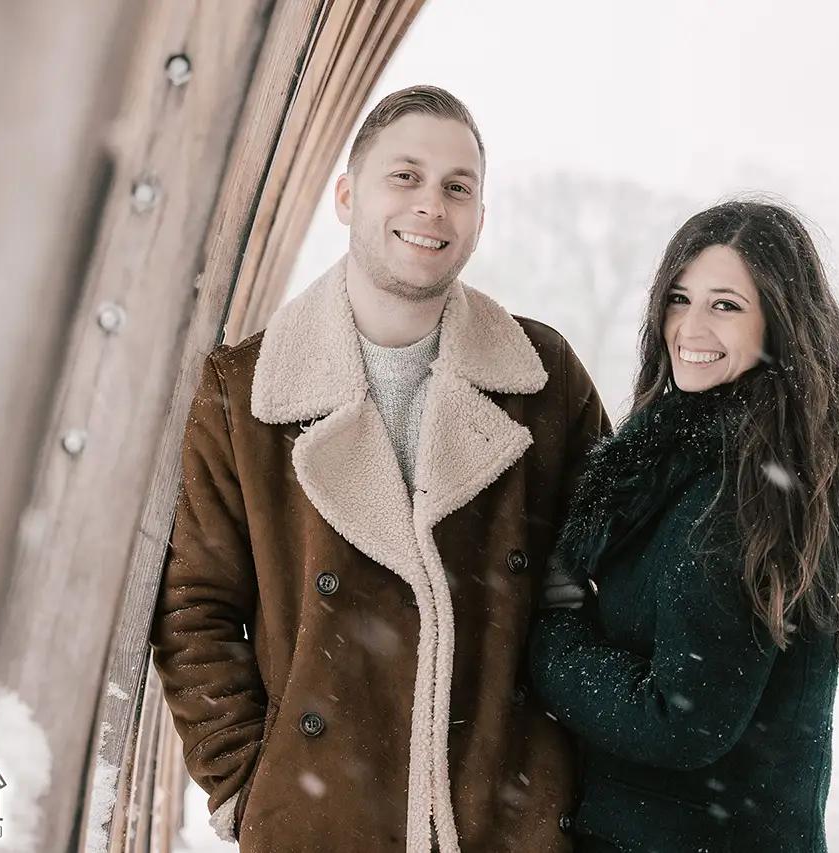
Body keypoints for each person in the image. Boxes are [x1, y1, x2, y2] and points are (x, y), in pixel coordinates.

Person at [151, 85, 609, 852]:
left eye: (457, 187)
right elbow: (196, 605)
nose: (432, 204)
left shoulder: (543, 377)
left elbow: (613, 578)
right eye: (406, 176)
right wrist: (245, 784)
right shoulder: (245, 393)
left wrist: (557, 750)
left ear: (479, 220)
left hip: (509, 818)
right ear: (346, 195)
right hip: (322, 818)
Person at [529, 200, 839, 853]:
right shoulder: (776, 457)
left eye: (725, 304)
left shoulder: (737, 493)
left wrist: (553, 640)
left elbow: (682, 721)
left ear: (777, 323)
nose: (690, 326)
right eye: (679, 298)